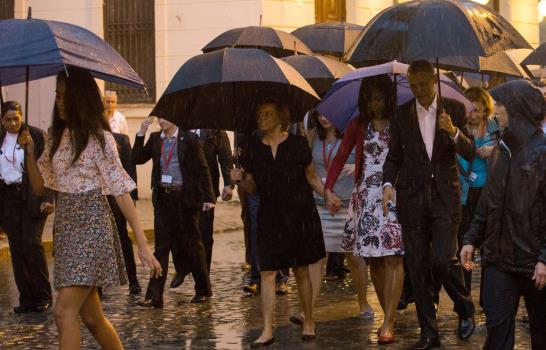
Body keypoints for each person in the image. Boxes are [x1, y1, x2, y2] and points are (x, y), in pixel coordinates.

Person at [20, 67, 160, 349]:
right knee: (92, 317)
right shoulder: (57, 138)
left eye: (63, 96)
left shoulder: (100, 139)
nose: (58, 102)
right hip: (67, 229)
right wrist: (30, 152)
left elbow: (121, 190)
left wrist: (142, 243)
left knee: (63, 312)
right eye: (56, 96)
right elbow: (38, 187)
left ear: (79, 98)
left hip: (92, 226)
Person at [382, 60, 475, 349]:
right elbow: (394, 156)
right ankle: (429, 332)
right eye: (413, 85)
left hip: (445, 198)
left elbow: (470, 152)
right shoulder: (401, 115)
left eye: (423, 84)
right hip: (412, 199)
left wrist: (454, 132)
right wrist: (387, 185)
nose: (419, 90)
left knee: (442, 260)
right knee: (418, 265)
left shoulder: (454, 111)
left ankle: (465, 308)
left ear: (433, 80)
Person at [231, 99, 326, 347]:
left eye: (267, 114)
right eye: (259, 114)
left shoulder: (297, 144)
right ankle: (267, 329)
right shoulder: (253, 148)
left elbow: (312, 177)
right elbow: (253, 188)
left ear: (280, 117)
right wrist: (240, 180)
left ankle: (309, 321)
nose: (261, 118)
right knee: (268, 272)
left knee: (301, 270)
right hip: (269, 216)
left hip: (298, 214)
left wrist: (329, 195)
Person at [461, 80, 546, 350]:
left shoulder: (542, 153)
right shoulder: (500, 150)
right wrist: (471, 238)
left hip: (535, 264)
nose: (495, 111)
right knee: (497, 334)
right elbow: (488, 200)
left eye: (500, 105)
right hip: (499, 260)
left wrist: (545, 257)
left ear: (516, 109)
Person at [325, 75, 404, 344]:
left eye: (379, 98)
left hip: (393, 194)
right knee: (376, 260)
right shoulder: (358, 124)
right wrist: (328, 187)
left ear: (388, 98)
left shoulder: (400, 123)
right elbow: (341, 155)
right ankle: (387, 315)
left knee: (394, 255)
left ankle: (390, 321)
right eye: (369, 99)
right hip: (364, 197)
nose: (374, 104)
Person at [292, 110, 374, 325]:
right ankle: (306, 309)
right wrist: (325, 193)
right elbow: (308, 171)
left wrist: (355, 166)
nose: (324, 118)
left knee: (354, 258)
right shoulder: (312, 138)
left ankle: (363, 302)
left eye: (329, 113)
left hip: (347, 204)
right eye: (320, 114)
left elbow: (369, 160)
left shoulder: (352, 134)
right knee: (317, 259)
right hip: (321, 204)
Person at [133, 117, 215, 307]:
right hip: (164, 199)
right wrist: (140, 133)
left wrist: (208, 198)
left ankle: (203, 290)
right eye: (159, 118)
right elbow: (137, 158)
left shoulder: (190, 139)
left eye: (165, 117)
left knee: (194, 246)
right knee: (161, 247)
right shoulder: (155, 139)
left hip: (185, 199)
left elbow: (203, 169)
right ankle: (154, 296)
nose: (161, 121)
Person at [0, 100, 53, 313]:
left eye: (16, 118)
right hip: (8, 198)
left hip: (33, 196)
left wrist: (48, 197)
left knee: (32, 243)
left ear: (22, 116)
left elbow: (48, 169)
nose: (12, 123)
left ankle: (43, 295)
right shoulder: (1, 138)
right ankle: (26, 298)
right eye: (7, 120)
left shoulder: (37, 136)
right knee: (17, 247)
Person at [170, 128, 234, 289]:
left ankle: (203, 279)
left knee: (204, 234)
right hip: (182, 189)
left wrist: (229, 184)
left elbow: (225, 157)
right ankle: (182, 268)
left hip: (206, 189)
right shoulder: (178, 128)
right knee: (179, 232)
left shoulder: (214, 130)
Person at [456, 87, 498, 293]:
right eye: (469, 109)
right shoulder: (459, 130)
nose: (472, 114)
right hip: (465, 193)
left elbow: (509, 149)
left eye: (476, 110)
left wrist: (494, 150)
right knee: (466, 242)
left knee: (488, 246)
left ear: (485, 111)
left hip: (489, 191)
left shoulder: (495, 128)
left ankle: (486, 294)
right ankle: (465, 293)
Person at [106, 132, 141, 295]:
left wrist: (132, 196)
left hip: (117, 197)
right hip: (95, 198)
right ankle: (97, 284)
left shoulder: (119, 140)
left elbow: (129, 169)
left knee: (122, 236)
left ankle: (133, 279)